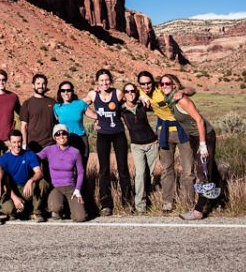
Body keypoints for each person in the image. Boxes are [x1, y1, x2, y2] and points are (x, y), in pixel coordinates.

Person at [160, 74, 222, 220]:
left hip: (204, 136)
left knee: (203, 172)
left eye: (167, 83)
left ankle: (198, 211)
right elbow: (191, 89)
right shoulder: (170, 99)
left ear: (174, 85)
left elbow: (199, 120)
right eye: (161, 84)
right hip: (193, 137)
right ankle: (217, 201)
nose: (164, 86)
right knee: (207, 170)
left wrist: (203, 145)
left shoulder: (181, 99)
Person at [136, 70, 194, 212]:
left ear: (153, 82)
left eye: (148, 83)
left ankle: (190, 203)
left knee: (188, 170)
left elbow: (192, 90)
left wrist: (183, 91)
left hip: (183, 131)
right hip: (164, 132)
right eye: (142, 84)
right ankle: (168, 202)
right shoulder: (140, 92)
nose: (146, 86)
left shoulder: (162, 88)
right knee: (167, 169)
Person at [83, 69, 133, 216]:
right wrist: (95, 117)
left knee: (123, 169)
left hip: (118, 134)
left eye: (107, 80)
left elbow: (131, 100)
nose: (104, 83)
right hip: (103, 136)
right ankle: (106, 204)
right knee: (104, 170)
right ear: (97, 82)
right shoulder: (93, 94)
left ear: (110, 80)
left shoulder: (117, 93)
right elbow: (81, 105)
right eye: (101, 80)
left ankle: (127, 202)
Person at [121, 82, 158, 214]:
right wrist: (97, 122)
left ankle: (149, 199)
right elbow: (106, 114)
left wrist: (144, 98)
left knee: (150, 174)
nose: (130, 94)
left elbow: (159, 108)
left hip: (152, 144)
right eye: (127, 91)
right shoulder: (121, 110)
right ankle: (140, 206)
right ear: (123, 94)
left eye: (132, 91)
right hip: (136, 146)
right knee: (140, 173)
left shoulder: (142, 104)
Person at [37, 124, 86, 222]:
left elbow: (81, 172)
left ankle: (71, 209)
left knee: (81, 218)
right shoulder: (49, 150)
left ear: (67, 135)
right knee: (55, 207)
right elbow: (34, 158)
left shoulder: (75, 152)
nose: (61, 137)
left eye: (64, 133)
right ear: (54, 137)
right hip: (56, 187)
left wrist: (78, 189)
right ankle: (57, 210)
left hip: (71, 188)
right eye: (58, 134)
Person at [0, 130, 50, 222]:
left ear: (22, 142)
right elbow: (2, 181)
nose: (17, 145)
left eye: (19, 142)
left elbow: (39, 172)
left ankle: (36, 212)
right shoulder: (4, 159)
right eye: (14, 142)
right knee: (9, 210)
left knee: (43, 183)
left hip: (25, 187)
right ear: (10, 143)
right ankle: (15, 210)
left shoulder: (29, 154)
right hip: (11, 189)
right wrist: (14, 198)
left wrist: (31, 180)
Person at [53, 81, 96, 167]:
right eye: (63, 90)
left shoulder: (80, 104)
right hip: (64, 140)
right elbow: (56, 124)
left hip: (81, 139)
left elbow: (95, 115)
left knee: (82, 167)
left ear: (72, 91)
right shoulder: (56, 107)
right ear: (60, 92)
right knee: (68, 168)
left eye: (68, 90)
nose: (66, 93)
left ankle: (82, 181)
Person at [0, 69, 21, 158]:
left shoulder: (13, 97)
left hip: (9, 139)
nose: (1, 82)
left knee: (10, 168)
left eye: (3, 80)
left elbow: (21, 115)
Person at [20, 73, 56, 153]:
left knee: (49, 166)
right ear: (33, 85)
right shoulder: (27, 103)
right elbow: (24, 126)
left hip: (50, 144)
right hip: (32, 145)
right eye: (38, 83)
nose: (41, 86)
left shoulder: (53, 102)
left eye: (43, 83)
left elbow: (58, 121)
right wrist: (24, 144)